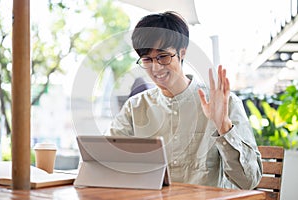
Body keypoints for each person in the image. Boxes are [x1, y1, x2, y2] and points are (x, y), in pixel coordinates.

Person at [109, 11, 262, 189]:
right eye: (147, 59)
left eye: (163, 56)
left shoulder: (223, 103)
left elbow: (249, 182)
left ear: (182, 53)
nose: (156, 67)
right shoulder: (135, 108)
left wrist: (224, 126)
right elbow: (103, 161)